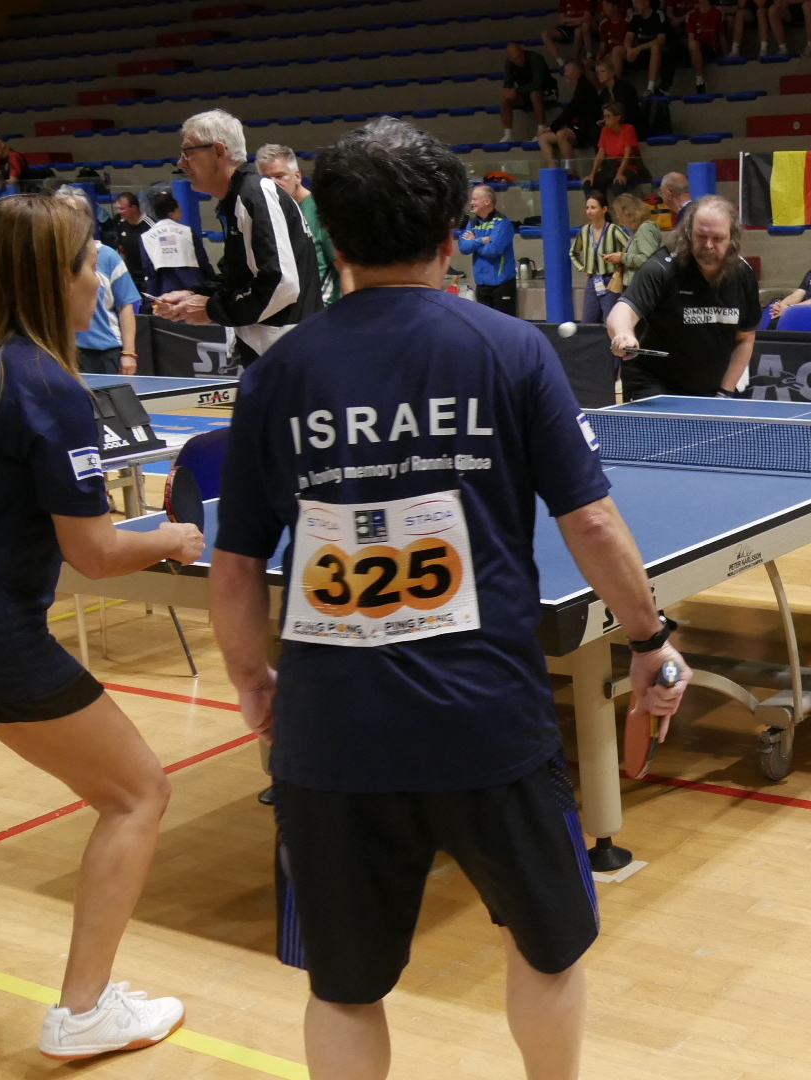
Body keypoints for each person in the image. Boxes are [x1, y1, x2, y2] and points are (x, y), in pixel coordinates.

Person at [206, 117, 688, 1080]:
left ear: (333, 238)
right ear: (449, 232)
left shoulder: (277, 375)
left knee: (344, 988)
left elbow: (236, 564)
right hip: (489, 723)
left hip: (332, 730)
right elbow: (592, 524)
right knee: (546, 951)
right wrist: (649, 639)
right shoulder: (511, 350)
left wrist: (254, 680)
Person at [0, 192, 202, 1057]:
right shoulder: (49, 388)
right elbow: (96, 554)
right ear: (56, 277)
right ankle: (83, 1011)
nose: (96, 282)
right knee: (137, 793)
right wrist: (171, 538)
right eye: (88, 266)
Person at [154, 110, 320, 372]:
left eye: (188, 152)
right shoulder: (239, 198)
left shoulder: (256, 193)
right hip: (274, 352)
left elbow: (282, 283)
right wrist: (195, 294)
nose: (181, 163)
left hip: (288, 355)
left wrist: (212, 309)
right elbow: (241, 277)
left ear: (218, 151)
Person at [606, 194, 760, 398]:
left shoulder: (743, 275)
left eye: (717, 238)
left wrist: (724, 392)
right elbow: (623, 310)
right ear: (688, 233)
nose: (708, 245)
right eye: (701, 236)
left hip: (707, 389)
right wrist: (623, 334)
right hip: (653, 383)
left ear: (732, 238)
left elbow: (745, 339)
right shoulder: (662, 267)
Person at [57, 189, 142, 377]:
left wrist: (128, 353)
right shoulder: (48, 256)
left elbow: (126, 306)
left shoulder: (108, 256)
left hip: (105, 352)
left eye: (76, 213)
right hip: (63, 351)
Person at [256, 144, 341, 306]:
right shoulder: (273, 214)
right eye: (266, 179)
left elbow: (345, 268)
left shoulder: (320, 210)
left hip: (324, 308)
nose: (273, 183)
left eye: (280, 176)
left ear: (297, 176)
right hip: (294, 309)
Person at [458, 184, 519, 317]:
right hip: (481, 284)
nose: (471, 203)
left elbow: (492, 250)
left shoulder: (502, 222)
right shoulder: (472, 222)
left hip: (501, 284)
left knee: (503, 325)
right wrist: (481, 240)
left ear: (487, 201)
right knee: (485, 324)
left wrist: (473, 241)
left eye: (475, 199)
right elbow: (463, 247)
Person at [569, 190, 630, 323]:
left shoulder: (614, 230)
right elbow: (573, 252)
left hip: (611, 280)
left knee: (611, 321)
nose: (589, 211)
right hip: (593, 281)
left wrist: (621, 261)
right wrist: (582, 267)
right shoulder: (585, 231)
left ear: (604, 209)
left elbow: (631, 249)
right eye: (587, 208)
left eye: (593, 207)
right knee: (587, 322)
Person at [139, 189, 209, 298]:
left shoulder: (146, 237)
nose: (181, 212)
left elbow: (150, 272)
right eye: (179, 209)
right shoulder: (188, 232)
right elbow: (203, 261)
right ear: (171, 214)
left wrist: (149, 300)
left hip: (163, 291)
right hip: (193, 288)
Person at [587, 102, 649, 197]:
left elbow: (627, 155)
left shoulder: (628, 129)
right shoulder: (605, 130)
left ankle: (622, 206)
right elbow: (600, 155)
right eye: (604, 116)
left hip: (630, 167)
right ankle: (598, 205)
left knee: (618, 183)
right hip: (612, 167)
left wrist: (620, 173)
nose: (605, 119)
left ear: (618, 117)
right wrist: (592, 174)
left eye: (608, 116)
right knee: (589, 183)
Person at [502, 43, 559, 141]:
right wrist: (509, 92)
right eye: (516, 58)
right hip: (526, 93)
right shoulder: (509, 64)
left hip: (547, 91)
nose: (520, 60)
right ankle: (508, 134)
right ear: (511, 59)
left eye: (520, 56)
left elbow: (538, 84)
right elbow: (507, 85)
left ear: (523, 51)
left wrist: (517, 90)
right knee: (504, 98)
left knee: (535, 93)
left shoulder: (535, 58)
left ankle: (541, 129)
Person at [99, 192, 151, 296]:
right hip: (131, 275)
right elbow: (121, 249)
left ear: (134, 208)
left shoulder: (150, 225)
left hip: (148, 275)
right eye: (118, 209)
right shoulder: (120, 223)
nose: (119, 212)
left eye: (122, 209)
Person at [613, 192, 665, 276]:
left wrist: (622, 258)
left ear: (628, 213)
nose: (618, 218)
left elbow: (648, 259)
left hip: (643, 281)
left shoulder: (645, 228)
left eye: (619, 214)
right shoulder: (635, 231)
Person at [625, 0, 669, 94]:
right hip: (641, 52)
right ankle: (615, 87)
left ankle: (650, 87)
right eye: (633, 3)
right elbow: (628, 37)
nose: (634, 6)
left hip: (659, 51)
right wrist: (629, 49)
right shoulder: (635, 17)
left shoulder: (658, 14)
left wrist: (639, 48)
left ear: (646, 2)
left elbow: (661, 39)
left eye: (637, 2)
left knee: (655, 47)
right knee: (617, 51)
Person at [682, 0, 726, 93]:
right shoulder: (692, 15)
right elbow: (691, 38)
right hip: (697, 48)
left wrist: (725, 54)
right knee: (692, 45)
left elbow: (721, 35)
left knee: (694, 45)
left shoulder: (718, 12)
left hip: (712, 49)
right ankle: (700, 81)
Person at [543, 0, 598, 64]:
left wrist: (568, 21)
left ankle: (578, 59)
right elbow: (562, 20)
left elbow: (586, 18)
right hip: (568, 26)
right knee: (545, 34)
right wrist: (577, 20)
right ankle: (561, 63)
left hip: (581, 25)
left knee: (579, 30)